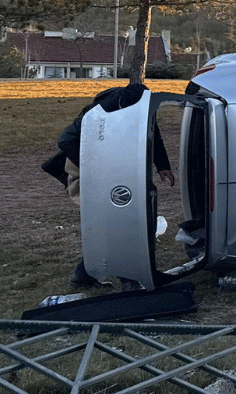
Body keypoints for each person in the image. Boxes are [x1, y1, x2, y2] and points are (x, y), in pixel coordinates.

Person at [54, 82, 175, 287]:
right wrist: (95, 167)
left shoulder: (143, 106)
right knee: (117, 223)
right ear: (125, 106)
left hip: (118, 171)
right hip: (91, 175)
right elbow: (65, 140)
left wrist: (163, 165)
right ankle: (127, 279)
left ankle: (85, 276)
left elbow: (153, 132)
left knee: (119, 222)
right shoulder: (99, 112)